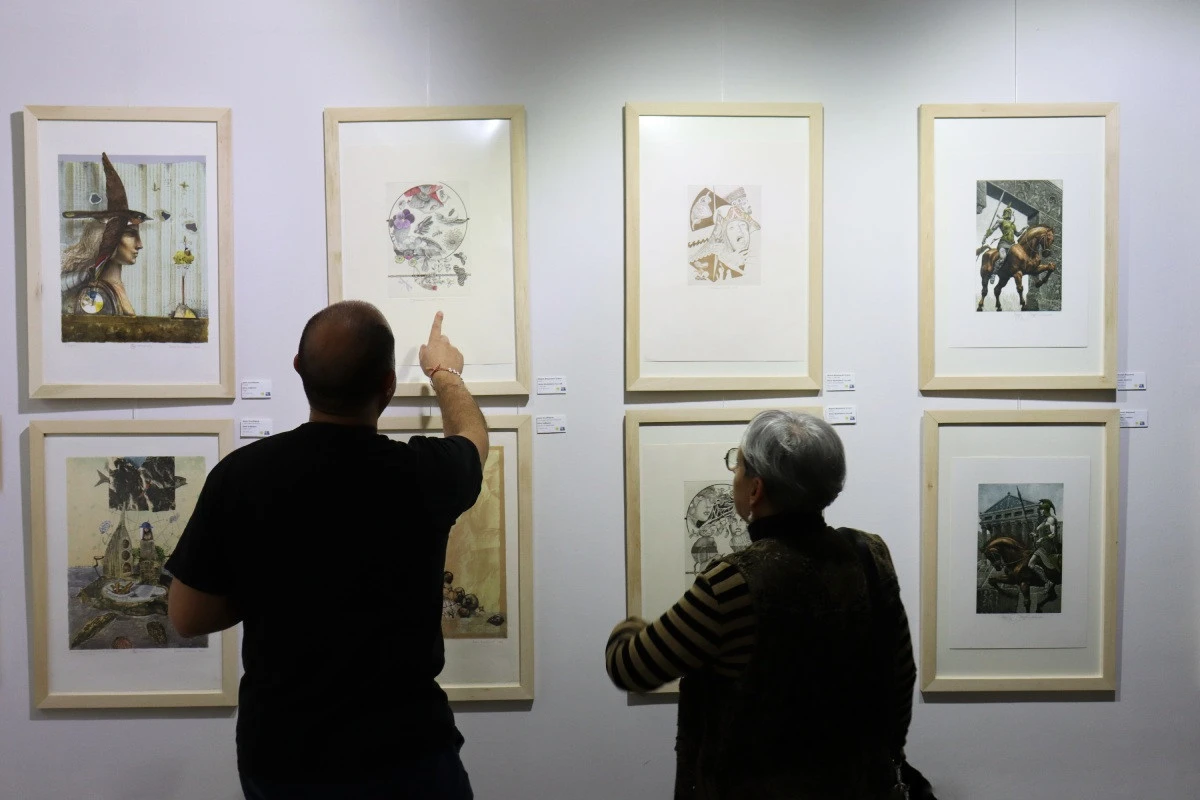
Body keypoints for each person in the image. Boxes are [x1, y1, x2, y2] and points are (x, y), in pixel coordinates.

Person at [166, 302, 487, 799]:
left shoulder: (241, 476)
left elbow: (187, 616)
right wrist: (444, 371)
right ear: (388, 385)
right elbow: (473, 439)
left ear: (298, 369)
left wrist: (279, 586)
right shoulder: (425, 474)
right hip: (407, 753)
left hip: (285, 758)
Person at [605, 410, 916, 799]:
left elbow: (631, 666)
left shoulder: (732, 583)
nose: (733, 475)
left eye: (737, 466)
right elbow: (901, 673)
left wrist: (630, 626)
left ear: (755, 489)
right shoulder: (869, 553)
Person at [1028, 499, 1061, 601]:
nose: (1040, 512)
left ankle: (1048, 582)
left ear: (1045, 510)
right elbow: (1041, 532)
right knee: (1030, 564)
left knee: (1032, 564)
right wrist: (1035, 535)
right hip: (1041, 547)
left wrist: (1042, 538)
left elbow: (1053, 534)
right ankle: (1047, 582)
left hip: (1048, 547)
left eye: (1041, 510)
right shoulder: (1044, 520)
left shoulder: (1051, 519)